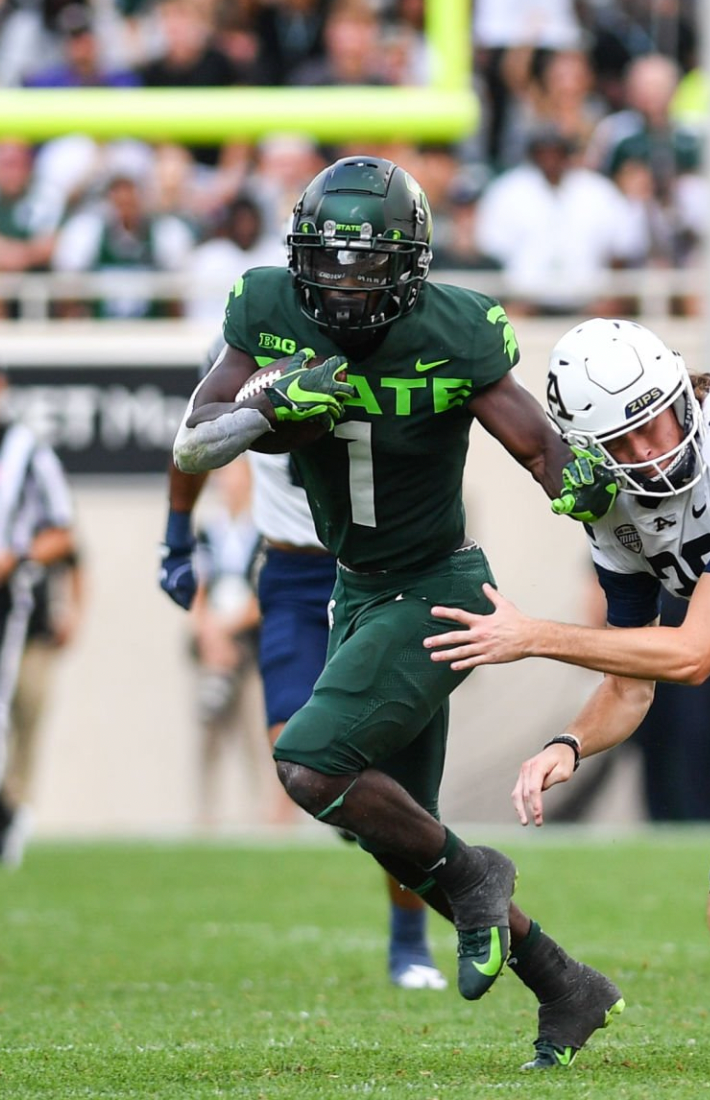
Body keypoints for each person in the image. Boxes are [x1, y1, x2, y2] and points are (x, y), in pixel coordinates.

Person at [169, 154, 623, 1070]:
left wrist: (609, 502)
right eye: (326, 260)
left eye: (364, 262)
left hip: (439, 586)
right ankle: (566, 985)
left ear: (409, 264)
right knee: (403, 834)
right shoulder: (267, 308)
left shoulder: (454, 329)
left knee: (305, 764)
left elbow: (540, 448)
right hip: (355, 586)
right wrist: (264, 404)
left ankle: (484, 875)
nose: (340, 282)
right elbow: (194, 438)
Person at [162, 336, 448, 990]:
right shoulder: (246, 337)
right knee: (295, 758)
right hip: (293, 570)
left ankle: (408, 941)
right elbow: (192, 434)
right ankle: (365, 816)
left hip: (381, 573)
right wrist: (177, 536)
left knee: (396, 781)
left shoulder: (389, 335)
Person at [421, 317, 710, 831]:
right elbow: (629, 689)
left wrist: (533, 636)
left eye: (653, 422)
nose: (646, 451)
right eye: (622, 440)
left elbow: (693, 655)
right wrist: (570, 743)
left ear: (681, 395)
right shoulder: (617, 514)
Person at [0, 365, 79, 867]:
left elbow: (66, 534)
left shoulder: (26, 451)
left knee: (21, 717)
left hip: (17, 612)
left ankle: (11, 815)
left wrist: (16, 553)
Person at [188, 457, 263, 829]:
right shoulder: (208, 531)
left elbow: (266, 596)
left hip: (252, 646)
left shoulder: (264, 531)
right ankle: (207, 817)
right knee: (211, 730)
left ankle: (268, 817)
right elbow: (197, 592)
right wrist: (210, 633)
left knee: (258, 731)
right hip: (214, 649)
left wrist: (230, 629)